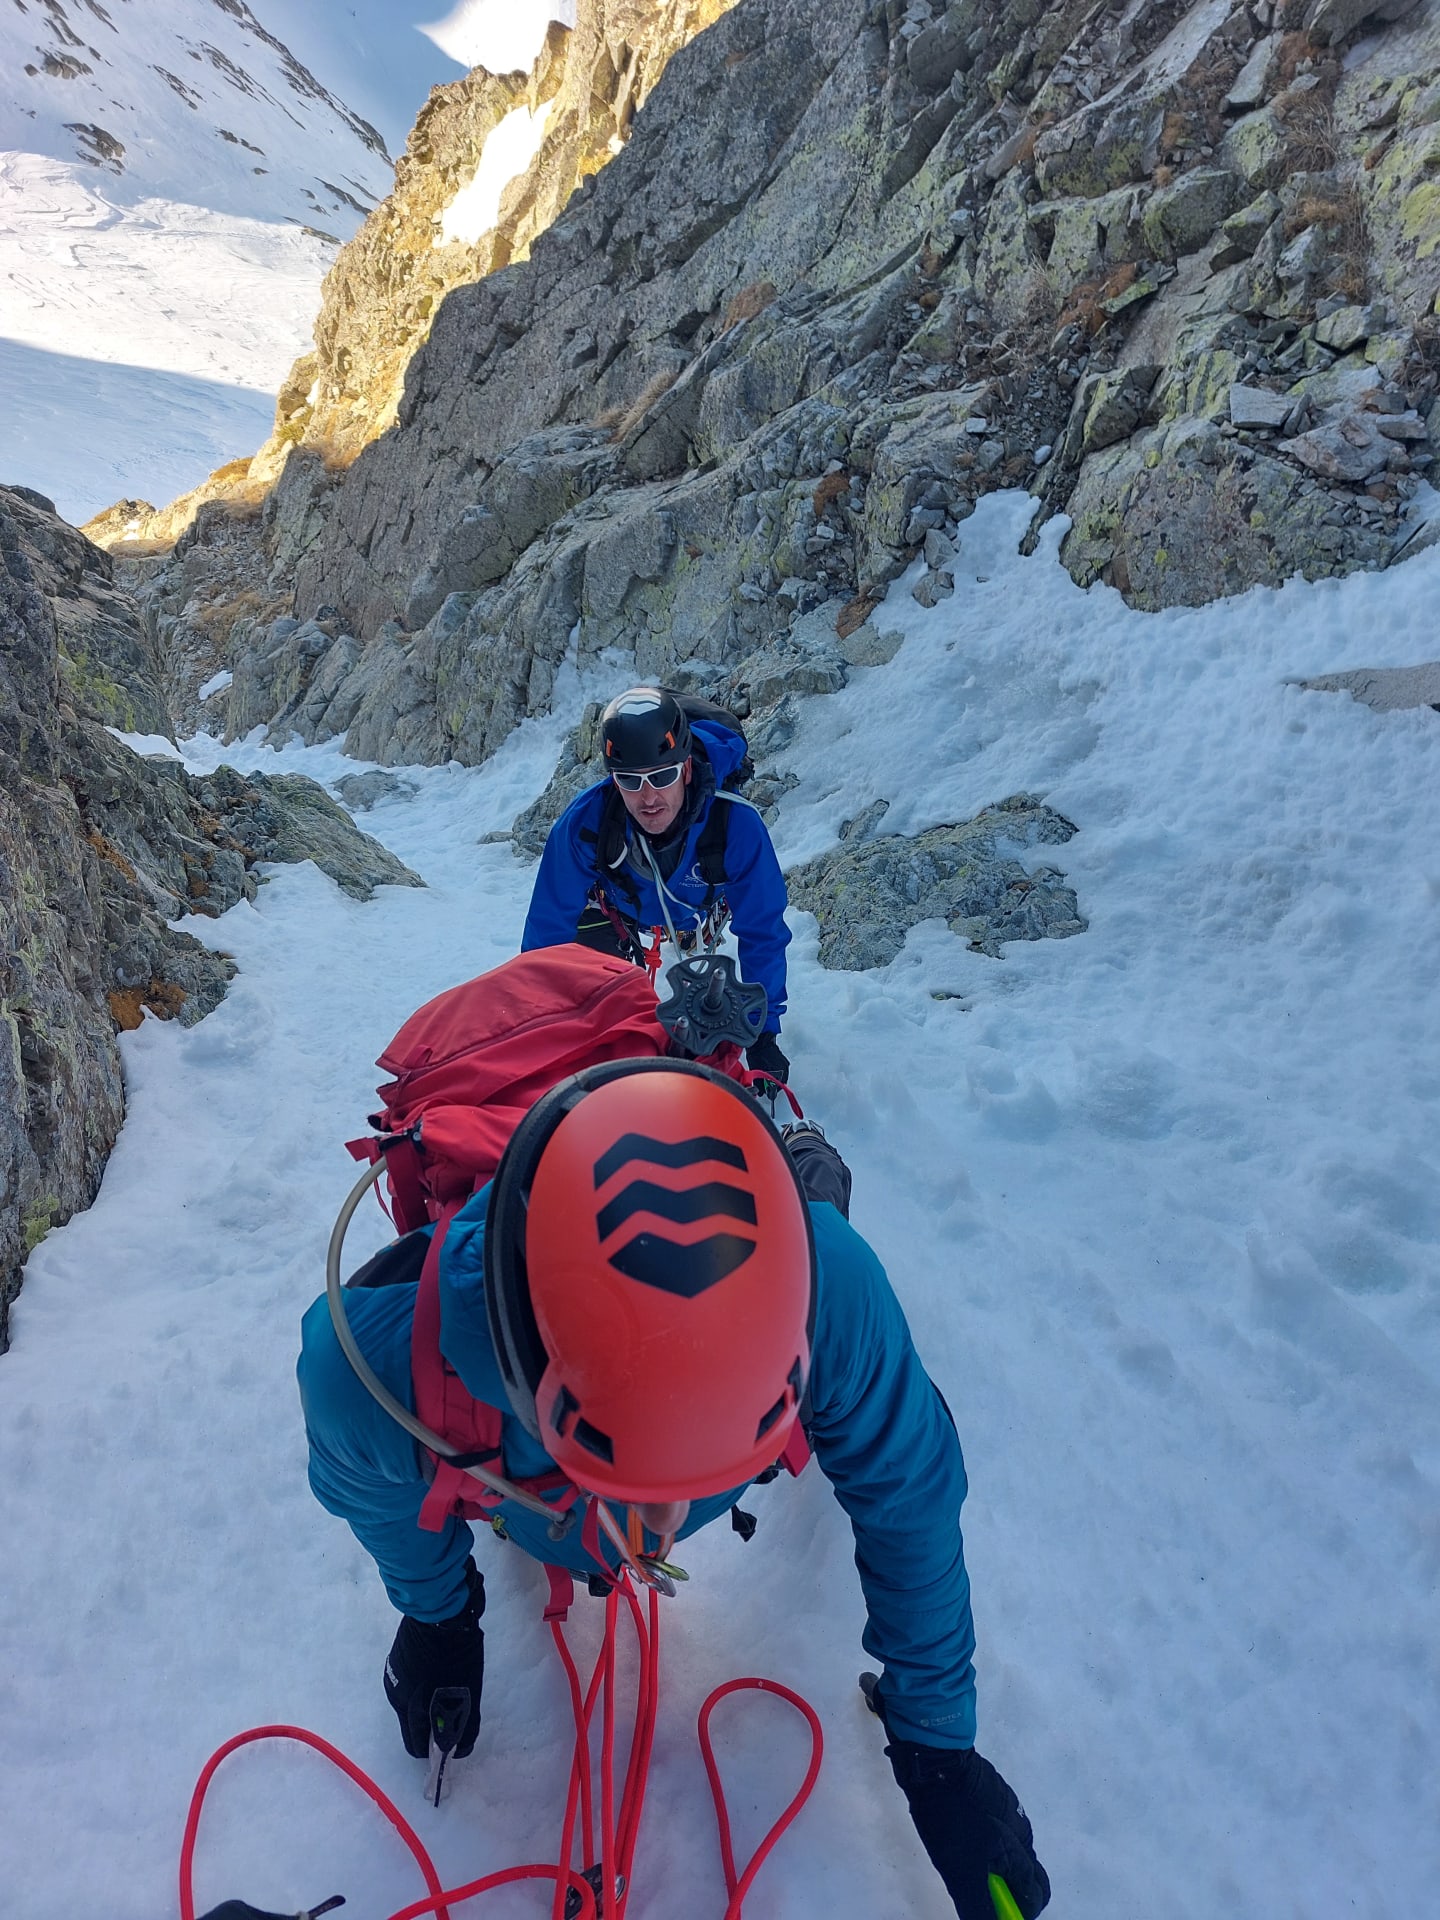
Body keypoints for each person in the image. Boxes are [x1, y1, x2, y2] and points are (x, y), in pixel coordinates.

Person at [297, 1056, 1050, 1920]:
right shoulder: (369, 1374)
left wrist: (938, 1749)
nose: (656, 1531)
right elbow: (372, 1490)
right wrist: (436, 1612)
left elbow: (910, 1489)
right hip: (514, 1461)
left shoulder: (832, 1286)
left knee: (828, 1231)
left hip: (778, 1305)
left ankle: (807, 1162)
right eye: (626, 1471)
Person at [521, 686, 792, 1091]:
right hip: (617, 908)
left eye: (662, 777)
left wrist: (764, 1032)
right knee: (597, 1014)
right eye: (630, 781)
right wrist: (539, 1024)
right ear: (614, 780)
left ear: (684, 768)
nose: (648, 797)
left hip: (698, 903)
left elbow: (762, 928)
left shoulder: (735, 823)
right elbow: (547, 932)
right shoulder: (586, 823)